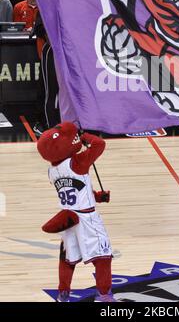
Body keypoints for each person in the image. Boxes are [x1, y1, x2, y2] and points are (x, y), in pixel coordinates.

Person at [37, 122, 116, 303]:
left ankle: (63, 294)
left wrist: (96, 196)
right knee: (103, 258)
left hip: (69, 218)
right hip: (86, 218)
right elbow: (99, 144)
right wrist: (83, 136)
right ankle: (104, 296)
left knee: (67, 259)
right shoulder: (77, 162)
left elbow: (73, 189)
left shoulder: (52, 172)